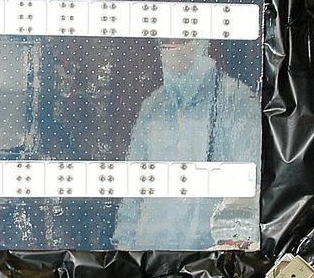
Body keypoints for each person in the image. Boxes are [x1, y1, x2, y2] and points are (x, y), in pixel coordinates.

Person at [112, 38, 261, 250]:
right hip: (148, 257)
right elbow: (132, 195)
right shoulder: (153, 107)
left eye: (181, 38)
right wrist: (124, 253)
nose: (172, 47)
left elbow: (250, 192)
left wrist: (228, 258)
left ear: (201, 41)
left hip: (208, 261)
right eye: (165, 40)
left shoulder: (237, 102)